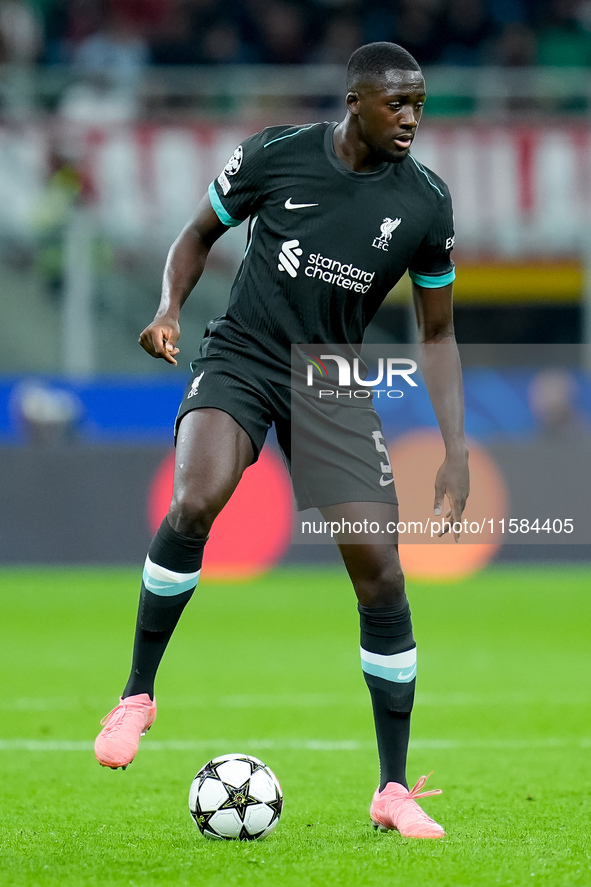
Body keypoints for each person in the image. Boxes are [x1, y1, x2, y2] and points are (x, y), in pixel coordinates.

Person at [95, 41, 470, 840]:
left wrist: (455, 448)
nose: (410, 118)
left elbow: (436, 335)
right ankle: (135, 695)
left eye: (420, 104)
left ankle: (392, 788)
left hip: (331, 379)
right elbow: (196, 234)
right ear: (355, 100)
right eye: (396, 103)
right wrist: (168, 309)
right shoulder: (275, 154)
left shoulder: (427, 204)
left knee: (381, 576)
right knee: (195, 501)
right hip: (244, 354)